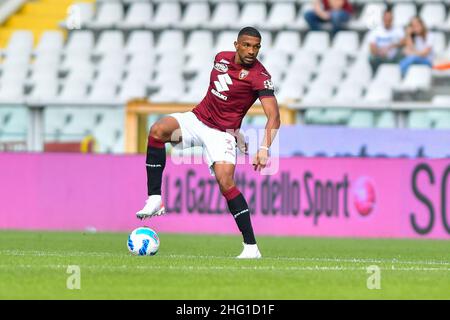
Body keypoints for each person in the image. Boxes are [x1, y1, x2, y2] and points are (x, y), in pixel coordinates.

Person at [136, 27, 280, 259]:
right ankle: (154, 198)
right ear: (236, 45)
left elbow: (274, 116)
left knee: (226, 182)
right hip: (197, 120)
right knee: (158, 131)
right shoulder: (220, 58)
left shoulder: (260, 77)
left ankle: (251, 247)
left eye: (256, 47)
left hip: (221, 134)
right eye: (247, 45)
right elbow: (222, 99)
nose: (252, 51)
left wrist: (263, 148)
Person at [368, 7, 405, 73]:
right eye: (386, 18)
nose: (388, 20)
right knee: (371, 58)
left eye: (389, 18)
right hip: (380, 56)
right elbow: (372, 47)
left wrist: (391, 46)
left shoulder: (398, 29)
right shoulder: (376, 30)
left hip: (394, 57)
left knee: (403, 53)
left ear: (392, 18)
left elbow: (404, 42)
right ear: (383, 18)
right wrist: (380, 51)